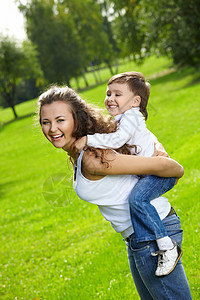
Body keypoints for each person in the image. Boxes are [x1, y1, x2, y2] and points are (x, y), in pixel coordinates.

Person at [38, 85, 192, 300]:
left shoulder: (93, 159)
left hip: (153, 234)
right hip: (137, 237)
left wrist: (169, 164)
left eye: (60, 120)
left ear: (77, 119)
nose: (52, 128)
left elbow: (169, 168)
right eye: (46, 122)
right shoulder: (81, 152)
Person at [73, 71, 180, 276]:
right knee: (138, 198)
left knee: (137, 199)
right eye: (108, 93)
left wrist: (88, 140)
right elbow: (146, 135)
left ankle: (167, 246)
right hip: (152, 173)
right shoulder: (125, 118)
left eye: (117, 94)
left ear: (135, 101)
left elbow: (117, 141)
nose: (110, 98)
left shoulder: (131, 115)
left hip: (158, 174)